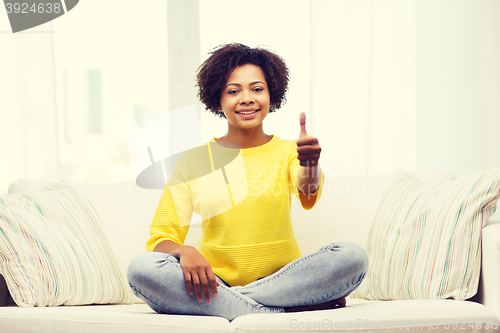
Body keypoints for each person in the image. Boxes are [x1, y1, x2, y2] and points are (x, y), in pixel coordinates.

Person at [127, 43, 368, 321]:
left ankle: (232, 307)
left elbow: (307, 192)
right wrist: (184, 250)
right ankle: (282, 310)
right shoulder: (193, 160)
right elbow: (161, 238)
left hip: (286, 281)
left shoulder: (289, 151)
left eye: (257, 89)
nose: (246, 98)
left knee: (352, 256)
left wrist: (310, 163)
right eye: (233, 91)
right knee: (141, 269)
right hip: (215, 283)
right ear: (218, 101)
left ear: (271, 95)